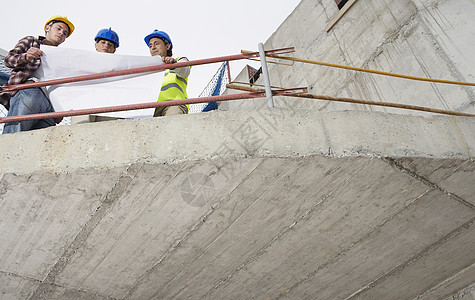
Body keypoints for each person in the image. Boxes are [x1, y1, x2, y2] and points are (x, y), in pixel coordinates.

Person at [1, 16, 74, 134]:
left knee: (39, 146)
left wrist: (60, 109)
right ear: (47, 28)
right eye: (58, 28)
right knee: (14, 135)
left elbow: (63, 86)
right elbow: (9, 60)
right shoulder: (31, 41)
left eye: (65, 33)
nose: (61, 33)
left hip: (50, 106)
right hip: (30, 91)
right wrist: (25, 56)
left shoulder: (62, 58)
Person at [71, 28, 120, 125]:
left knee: (105, 132)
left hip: (107, 103)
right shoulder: (83, 62)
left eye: (110, 45)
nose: (106, 45)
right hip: (84, 102)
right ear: (96, 45)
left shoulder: (120, 67)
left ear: (114, 50)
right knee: (80, 128)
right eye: (103, 42)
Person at [144, 30, 190, 117]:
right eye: (150, 46)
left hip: (173, 104)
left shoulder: (180, 60)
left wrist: (174, 65)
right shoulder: (148, 69)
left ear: (167, 46)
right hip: (152, 108)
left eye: (156, 43)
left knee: (171, 125)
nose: (153, 47)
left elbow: (185, 71)